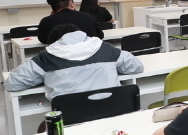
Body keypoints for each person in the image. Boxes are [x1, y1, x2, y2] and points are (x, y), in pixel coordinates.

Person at [5, 24, 143, 101]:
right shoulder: (105, 48)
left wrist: (45, 77)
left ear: (54, 43)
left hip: (70, 119)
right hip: (113, 110)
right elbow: (136, 67)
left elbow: (12, 84)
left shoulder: (46, 57)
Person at [37, 0, 104, 44]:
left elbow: (43, 40)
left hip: (60, 58)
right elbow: (100, 35)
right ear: (70, 3)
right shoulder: (88, 17)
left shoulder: (46, 21)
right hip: (89, 57)